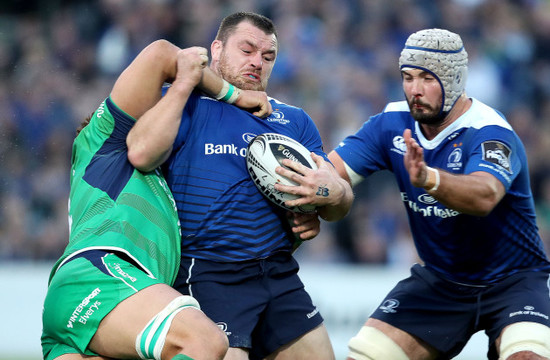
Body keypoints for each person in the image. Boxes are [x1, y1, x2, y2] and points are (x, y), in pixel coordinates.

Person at [127, 11, 354, 360]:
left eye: (268, 57)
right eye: (247, 50)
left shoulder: (294, 120)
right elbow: (140, 153)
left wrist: (333, 192)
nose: (257, 63)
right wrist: (187, 84)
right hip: (209, 270)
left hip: (278, 271)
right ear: (216, 49)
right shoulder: (185, 102)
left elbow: (336, 206)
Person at [41, 39, 273, 360]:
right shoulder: (106, 136)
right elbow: (163, 54)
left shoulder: (151, 184)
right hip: (102, 275)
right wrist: (233, 94)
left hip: (89, 304)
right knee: (205, 342)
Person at [328, 28, 550, 360]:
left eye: (427, 78)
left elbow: (484, 196)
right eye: (407, 77)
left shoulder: (490, 131)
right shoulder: (390, 124)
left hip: (513, 282)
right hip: (441, 281)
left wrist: (430, 178)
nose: (414, 90)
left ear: (454, 80)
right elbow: (331, 174)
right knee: (365, 356)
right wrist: (309, 192)